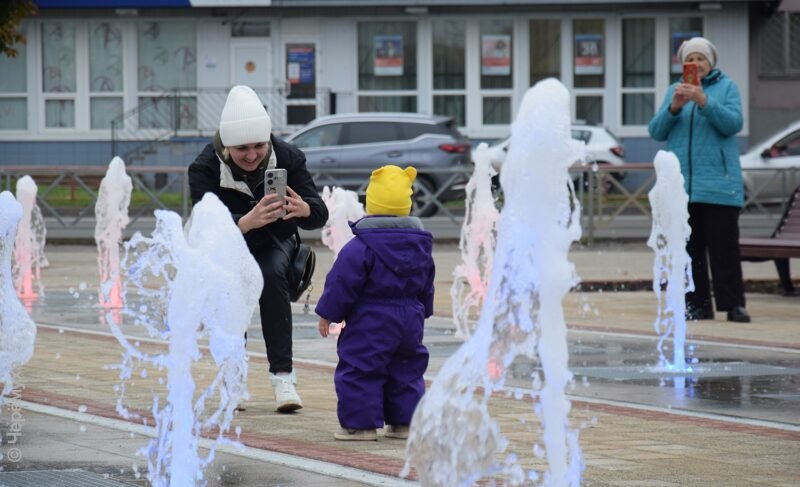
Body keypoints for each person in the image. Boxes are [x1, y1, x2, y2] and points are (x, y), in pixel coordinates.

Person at [188, 85, 328, 412]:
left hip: (274, 242)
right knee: (231, 293)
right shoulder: (204, 167)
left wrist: (305, 210)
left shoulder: (289, 157)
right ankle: (233, 379)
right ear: (226, 147)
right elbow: (203, 227)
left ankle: (283, 378)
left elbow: (318, 213)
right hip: (228, 244)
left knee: (269, 277)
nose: (251, 156)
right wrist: (246, 221)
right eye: (241, 149)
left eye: (258, 147)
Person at [316, 165, 435, 441]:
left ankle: (360, 426)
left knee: (360, 367)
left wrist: (328, 314)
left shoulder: (361, 247)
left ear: (371, 205)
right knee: (406, 367)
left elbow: (342, 283)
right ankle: (405, 423)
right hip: (410, 316)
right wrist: (424, 310)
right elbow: (427, 279)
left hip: (371, 317)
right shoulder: (420, 246)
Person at [648, 37, 751, 323]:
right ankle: (698, 305)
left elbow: (733, 123)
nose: (695, 64)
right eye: (689, 60)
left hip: (719, 185)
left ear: (710, 63)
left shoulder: (727, 87)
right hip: (682, 189)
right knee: (689, 251)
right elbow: (656, 131)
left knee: (724, 249)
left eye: (700, 59)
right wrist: (675, 107)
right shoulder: (674, 90)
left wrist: (704, 101)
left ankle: (733, 305)